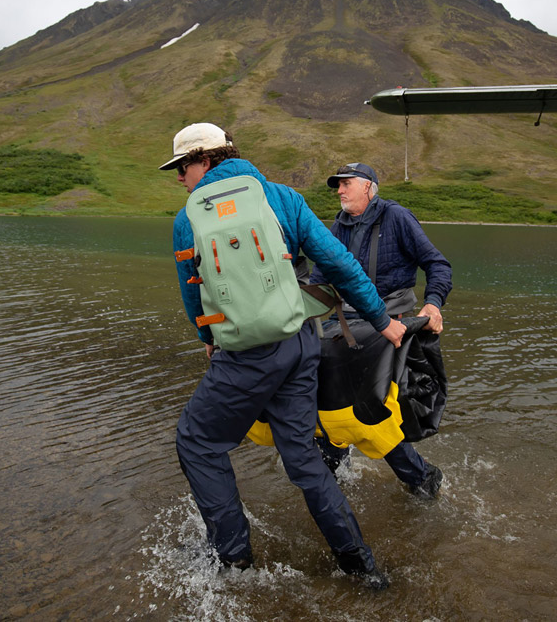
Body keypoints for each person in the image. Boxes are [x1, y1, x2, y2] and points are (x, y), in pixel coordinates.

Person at [161, 123, 405, 589]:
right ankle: (359, 565)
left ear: (206, 160)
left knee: (196, 440)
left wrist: (207, 341)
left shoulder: (187, 218)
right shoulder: (283, 198)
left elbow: (193, 297)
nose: (179, 178)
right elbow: (339, 263)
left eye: (182, 166)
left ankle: (232, 561)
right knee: (306, 461)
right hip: (299, 343)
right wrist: (382, 319)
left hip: (246, 355)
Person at [310, 162, 453, 498]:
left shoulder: (397, 217)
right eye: (338, 186)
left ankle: (423, 478)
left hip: (389, 325)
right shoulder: (338, 226)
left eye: (347, 184)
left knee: (371, 407)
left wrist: (432, 305)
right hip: (343, 323)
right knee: (327, 397)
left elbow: (437, 264)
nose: (340, 191)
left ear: (370, 187)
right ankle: (337, 472)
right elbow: (319, 279)